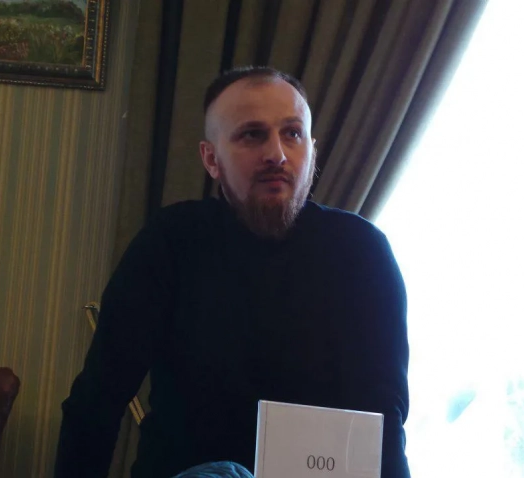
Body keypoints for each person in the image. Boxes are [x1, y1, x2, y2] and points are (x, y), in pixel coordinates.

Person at [54, 66, 411, 478]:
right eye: (252, 134)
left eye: (292, 133)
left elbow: (383, 423)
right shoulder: (170, 243)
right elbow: (97, 399)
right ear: (211, 159)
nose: (277, 153)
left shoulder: (362, 252)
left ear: (312, 151)